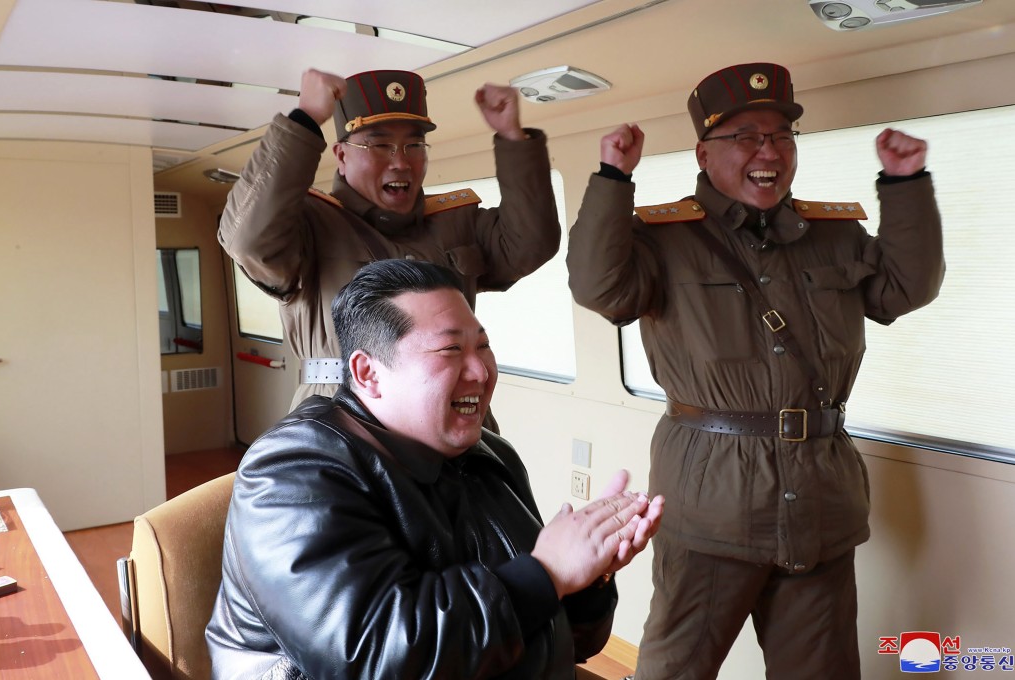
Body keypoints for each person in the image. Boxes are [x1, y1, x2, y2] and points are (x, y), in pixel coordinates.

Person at [566, 62, 944, 679]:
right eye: (745, 136)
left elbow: (906, 289)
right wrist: (613, 179)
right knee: (676, 669)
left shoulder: (835, 233)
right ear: (703, 152)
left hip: (822, 499)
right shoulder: (663, 238)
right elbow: (598, 285)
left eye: (781, 136)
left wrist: (905, 185)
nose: (767, 151)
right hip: (710, 500)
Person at [206, 258, 665, 680]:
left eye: (482, 346)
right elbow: (373, 657)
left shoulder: (491, 456)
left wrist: (589, 574)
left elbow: (567, 639)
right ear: (367, 373)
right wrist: (547, 573)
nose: (482, 371)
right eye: (450, 351)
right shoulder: (293, 470)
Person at [219, 68, 561, 412]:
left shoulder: (457, 221)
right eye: (379, 145)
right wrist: (305, 119)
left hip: (449, 413)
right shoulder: (307, 224)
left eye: (414, 145)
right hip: (343, 418)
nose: (400, 162)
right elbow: (248, 241)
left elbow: (531, 245)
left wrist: (513, 139)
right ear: (341, 156)